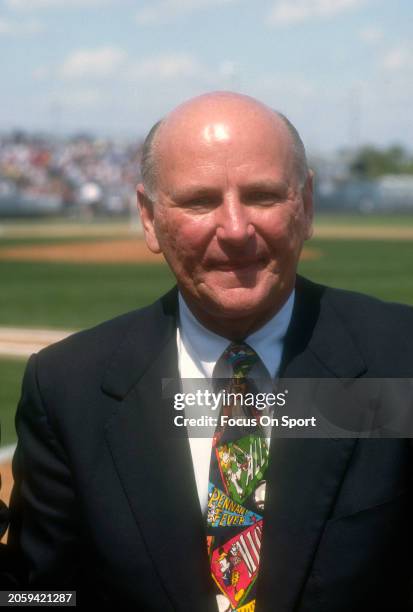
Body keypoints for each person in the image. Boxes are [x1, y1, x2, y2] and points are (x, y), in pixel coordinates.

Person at [5, 92, 413, 610]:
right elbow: (43, 594)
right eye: (199, 201)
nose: (236, 229)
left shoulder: (402, 359)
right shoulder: (67, 387)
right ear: (149, 219)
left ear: (306, 205)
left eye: (264, 196)